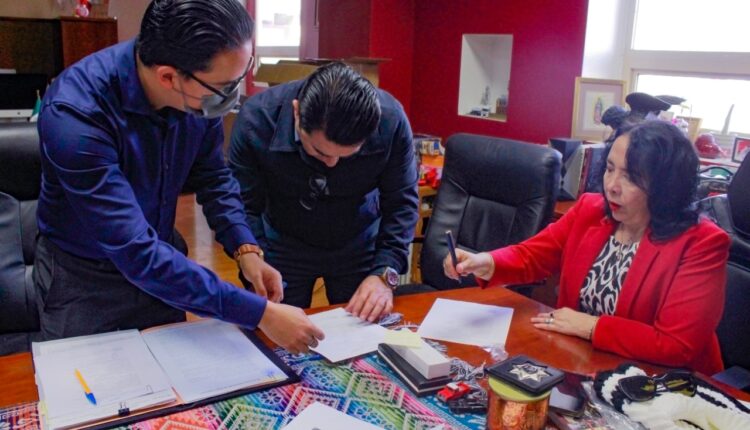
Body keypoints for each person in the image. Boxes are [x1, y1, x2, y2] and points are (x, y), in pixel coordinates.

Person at [35, 0, 323, 354]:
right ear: (168, 77)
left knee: (170, 373)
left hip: (163, 265)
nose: (232, 96)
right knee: (85, 381)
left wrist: (245, 248)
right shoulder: (76, 113)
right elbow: (136, 252)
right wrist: (260, 313)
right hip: (85, 280)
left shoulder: (197, 94)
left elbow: (214, 177)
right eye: (224, 86)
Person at [444, 121, 729, 375]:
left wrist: (590, 326)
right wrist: (486, 262)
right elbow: (534, 255)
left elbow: (675, 345)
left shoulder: (702, 243)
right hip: (586, 364)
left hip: (665, 384)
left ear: (666, 187)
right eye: (610, 169)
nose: (611, 186)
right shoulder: (590, 210)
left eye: (630, 177)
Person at [229, 62, 418, 322]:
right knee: (274, 330)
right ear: (297, 113)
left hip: (358, 242)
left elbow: (401, 203)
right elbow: (242, 203)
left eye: (347, 155)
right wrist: (252, 255)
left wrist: (385, 273)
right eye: (319, 152)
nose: (331, 164)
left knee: (363, 332)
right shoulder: (257, 119)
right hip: (282, 243)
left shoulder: (391, 119)